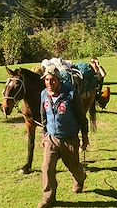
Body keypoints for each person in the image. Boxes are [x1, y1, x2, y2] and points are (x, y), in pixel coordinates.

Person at [38, 65, 87, 208]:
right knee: (46, 168)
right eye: (47, 80)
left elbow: (81, 115)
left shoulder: (70, 93)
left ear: (59, 80)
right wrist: (44, 134)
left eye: (52, 80)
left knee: (74, 167)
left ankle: (80, 178)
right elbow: (43, 116)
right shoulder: (43, 94)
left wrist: (85, 136)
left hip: (69, 139)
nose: (49, 83)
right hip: (51, 138)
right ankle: (49, 198)